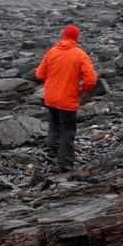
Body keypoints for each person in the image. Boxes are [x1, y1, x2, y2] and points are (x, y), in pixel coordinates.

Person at [35, 24, 97, 170]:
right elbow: (92, 79)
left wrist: (55, 79)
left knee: (54, 122)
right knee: (68, 130)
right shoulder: (80, 55)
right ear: (77, 37)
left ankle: (51, 149)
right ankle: (64, 164)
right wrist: (82, 90)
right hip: (67, 98)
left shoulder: (52, 52)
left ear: (63, 35)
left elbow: (39, 74)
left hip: (50, 97)